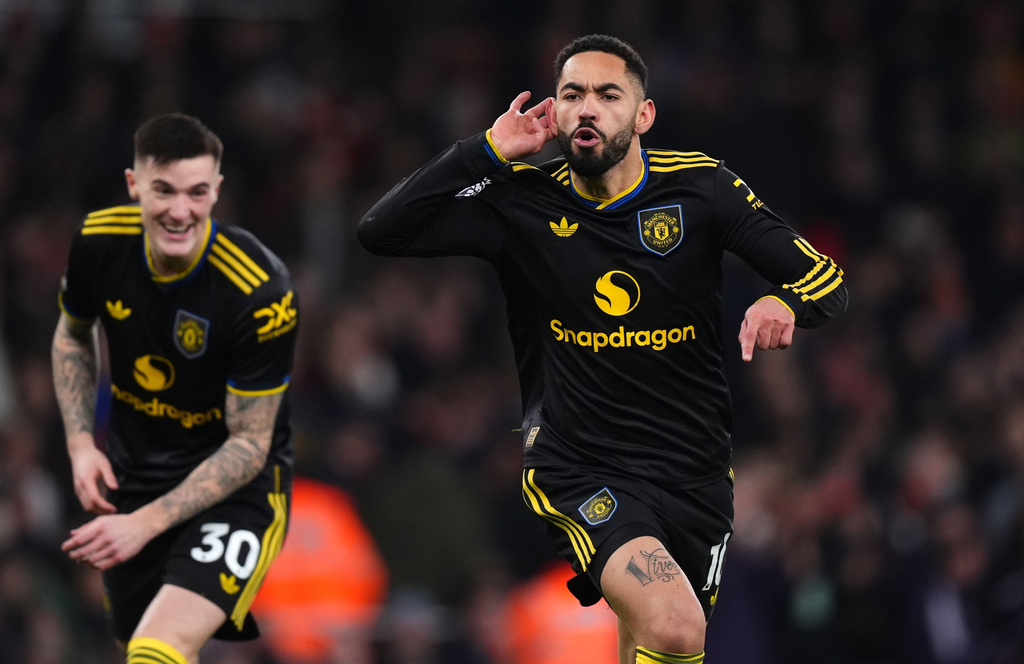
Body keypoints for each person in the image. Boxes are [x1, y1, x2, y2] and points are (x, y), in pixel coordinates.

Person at [358, 34, 848, 664]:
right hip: (581, 465)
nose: (587, 107)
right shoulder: (521, 200)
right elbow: (382, 230)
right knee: (676, 626)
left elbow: (825, 281)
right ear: (554, 112)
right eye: (572, 94)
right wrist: (485, 151)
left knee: (650, 641)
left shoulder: (701, 189)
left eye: (608, 95)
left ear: (643, 115)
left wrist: (787, 303)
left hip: (694, 474)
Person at [51, 113, 299, 664]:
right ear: (134, 184)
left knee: (156, 649)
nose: (180, 211)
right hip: (135, 479)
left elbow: (250, 444)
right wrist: (80, 444)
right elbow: (73, 333)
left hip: (238, 491)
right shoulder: (98, 241)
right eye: (163, 190)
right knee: (141, 651)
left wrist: (143, 526)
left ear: (217, 191)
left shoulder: (260, 290)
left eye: (196, 193)